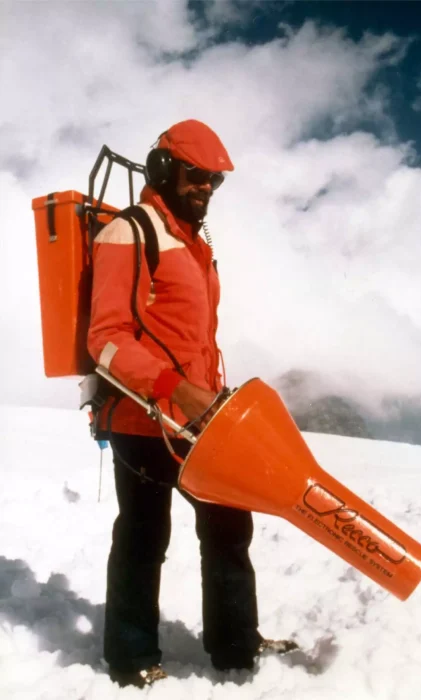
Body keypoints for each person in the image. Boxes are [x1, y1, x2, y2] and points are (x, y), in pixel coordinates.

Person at [87, 119, 265, 688]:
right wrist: (172, 387)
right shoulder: (128, 232)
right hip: (144, 420)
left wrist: (211, 392)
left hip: (199, 419)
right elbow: (106, 338)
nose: (206, 187)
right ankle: (130, 656)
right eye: (197, 175)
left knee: (230, 526)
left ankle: (236, 646)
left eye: (215, 180)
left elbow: (196, 339)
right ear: (164, 169)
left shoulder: (193, 242)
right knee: (143, 536)